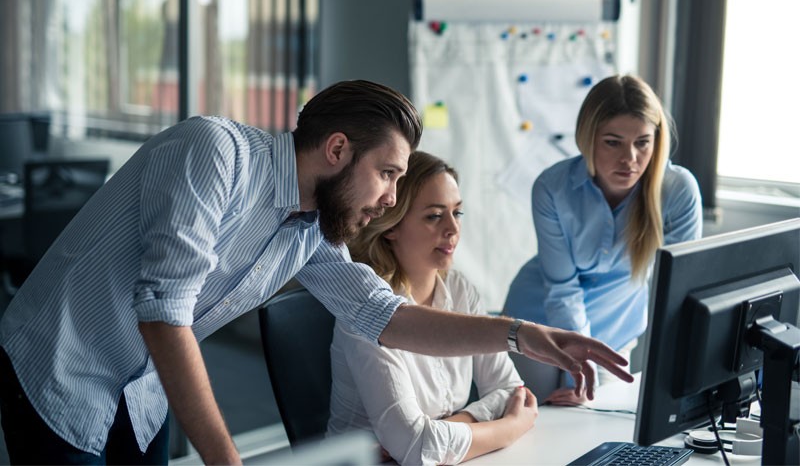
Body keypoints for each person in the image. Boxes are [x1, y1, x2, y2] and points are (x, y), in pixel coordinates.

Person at [0, 80, 632, 465]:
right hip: (61, 364)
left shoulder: (309, 228)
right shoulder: (213, 152)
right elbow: (165, 312)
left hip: (143, 386)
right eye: (387, 174)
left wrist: (521, 334)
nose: (391, 199)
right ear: (336, 150)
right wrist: (224, 458)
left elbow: (386, 317)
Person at [503, 74, 702, 405]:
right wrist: (577, 371)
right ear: (588, 138)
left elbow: (679, 290)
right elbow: (563, 289)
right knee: (528, 425)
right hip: (536, 320)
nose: (630, 159)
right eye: (613, 142)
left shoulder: (677, 190)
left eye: (642, 142)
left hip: (614, 332)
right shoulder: (552, 187)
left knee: (594, 430)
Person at [328, 151, 538, 465]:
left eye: (458, 213)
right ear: (391, 226)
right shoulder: (366, 308)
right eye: (434, 216)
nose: (453, 228)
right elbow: (415, 447)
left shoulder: (459, 289)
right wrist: (511, 427)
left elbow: (510, 390)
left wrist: (451, 427)